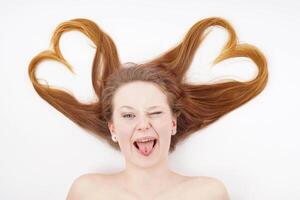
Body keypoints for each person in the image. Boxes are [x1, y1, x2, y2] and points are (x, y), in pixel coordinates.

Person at [28, 17, 268, 199]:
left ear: (173, 123)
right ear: (113, 128)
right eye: (129, 115)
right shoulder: (87, 191)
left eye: (155, 113)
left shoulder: (207, 192)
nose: (143, 124)